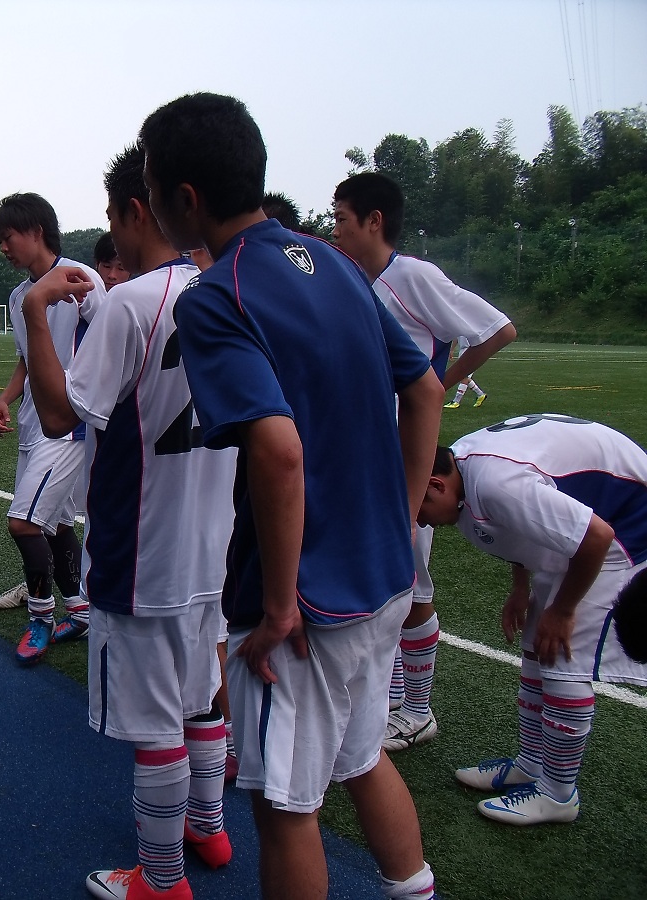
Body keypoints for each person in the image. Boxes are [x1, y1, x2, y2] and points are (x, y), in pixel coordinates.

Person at [143, 92, 444, 900]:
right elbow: (425, 389)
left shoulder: (216, 295)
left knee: (285, 809)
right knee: (361, 758)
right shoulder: (335, 262)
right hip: (383, 574)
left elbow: (278, 452)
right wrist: (399, 518)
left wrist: (278, 606)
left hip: (307, 604)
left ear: (185, 199)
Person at [20, 144, 236, 900]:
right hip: (214, 543)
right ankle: (208, 827)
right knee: (201, 694)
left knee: (154, 723)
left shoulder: (132, 302)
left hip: (143, 548)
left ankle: (162, 879)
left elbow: (58, 415)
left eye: (114, 216)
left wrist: (36, 310)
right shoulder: (226, 289)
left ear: (136, 211)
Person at [333, 171, 517, 752]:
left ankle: (417, 709)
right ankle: (386, 701)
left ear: (374, 221)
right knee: (378, 580)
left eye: (341, 219)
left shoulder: (413, 276)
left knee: (411, 582)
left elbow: (497, 329)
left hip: (404, 459)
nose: (334, 230)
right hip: (366, 454)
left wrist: (441, 381)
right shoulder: (352, 280)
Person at [418, 414, 647, 825]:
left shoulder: (495, 483)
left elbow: (595, 537)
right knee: (536, 649)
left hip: (625, 524)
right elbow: (523, 526)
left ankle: (558, 795)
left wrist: (563, 610)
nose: (420, 521)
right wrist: (520, 587)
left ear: (436, 485)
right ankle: (531, 765)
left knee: (563, 659)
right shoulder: (467, 470)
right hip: (598, 521)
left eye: (420, 508)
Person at [0, 193, 105, 663]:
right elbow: (27, 358)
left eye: (8, 237)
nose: (3, 247)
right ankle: (79, 610)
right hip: (32, 424)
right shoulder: (20, 296)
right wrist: (6, 397)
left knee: (23, 522)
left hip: (70, 427)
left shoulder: (82, 278)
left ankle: (40, 616)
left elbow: (110, 343)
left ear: (36, 230)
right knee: (54, 522)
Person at [444, 336, 487, 408]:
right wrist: (452, 349)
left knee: (463, 376)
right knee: (464, 376)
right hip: (464, 350)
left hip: (471, 350)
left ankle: (456, 401)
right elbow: (456, 337)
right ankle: (480, 394)